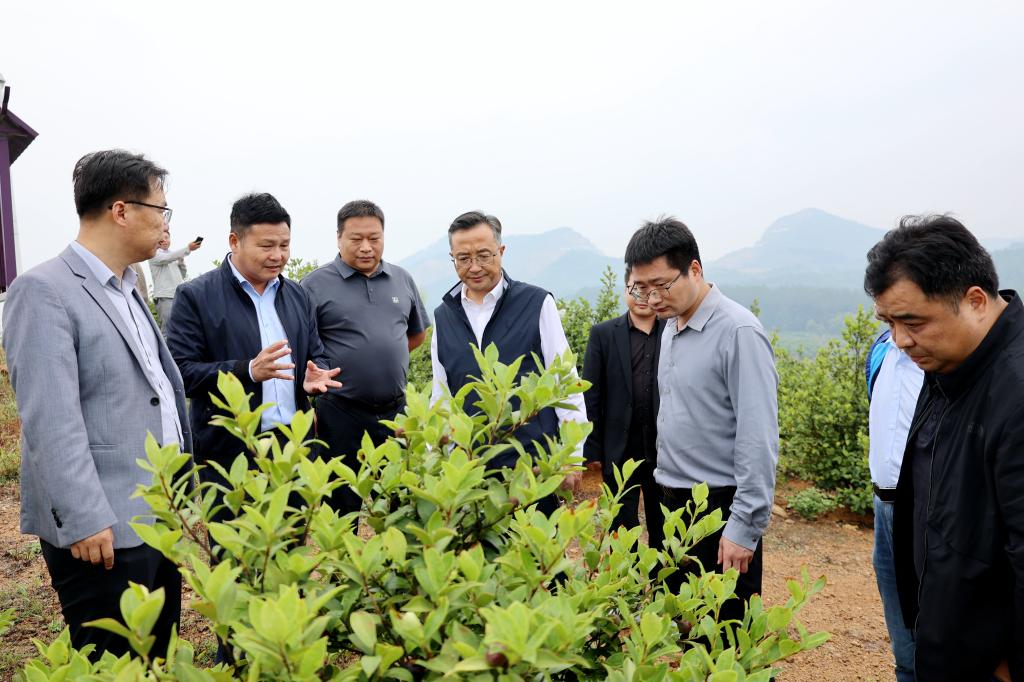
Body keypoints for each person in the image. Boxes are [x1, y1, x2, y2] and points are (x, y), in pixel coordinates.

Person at [1, 149, 190, 658]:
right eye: (161, 209)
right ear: (121, 210)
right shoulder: (43, 290)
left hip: (155, 514)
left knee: (158, 655)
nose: (166, 223)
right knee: (113, 661)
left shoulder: (128, 288)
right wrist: (84, 516)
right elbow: (50, 419)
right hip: (103, 527)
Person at [864, 214, 1022, 681]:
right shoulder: (949, 365)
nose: (899, 340)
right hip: (948, 638)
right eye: (888, 322)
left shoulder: (1014, 389)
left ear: (975, 301)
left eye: (912, 321)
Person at [624, 217, 778, 621]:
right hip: (672, 504)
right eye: (641, 288)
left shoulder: (738, 331)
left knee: (723, 633)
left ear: (694, 269)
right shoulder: (671, 327)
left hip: (719, 508)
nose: (652, 298)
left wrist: (743, 526)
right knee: (681, 629)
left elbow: (758, 437)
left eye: (661, 285)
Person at [165, 193, 340, 511]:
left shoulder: (297, 295)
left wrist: (313, 374)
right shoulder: (196, 296)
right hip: (231, 451)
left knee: (294, 537)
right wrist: (246, 371)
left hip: (293, 447)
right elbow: (180, 373)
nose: (278, 255)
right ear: (235, 241)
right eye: (267, 246)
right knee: (237, 540)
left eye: (284, 245)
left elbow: (316, 353)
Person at [430, 211, 586, 504]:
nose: (474, 267)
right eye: (463, 258)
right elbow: (441, 395)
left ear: (501, 251)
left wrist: (571, 456)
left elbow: (566, 381)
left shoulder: (536, 303)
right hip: (471, 473)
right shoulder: (443, 316)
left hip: (533, 468)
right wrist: (435, 461)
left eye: (484, 255)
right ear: (453, 258)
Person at [301, 200, 429, 515]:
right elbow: (301, 347)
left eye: (374, 238)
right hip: (340, 413)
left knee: (402, 505)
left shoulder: (401, 278)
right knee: (341, 507)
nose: (366, 247)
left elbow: (416, 335)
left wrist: (382, 360)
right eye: (356, 239)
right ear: (338, 238)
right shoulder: (314, 285)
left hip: (396, 413)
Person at [582, 268, 666, 547]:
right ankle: (627, 574)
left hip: (664, 448)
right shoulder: (603, 334)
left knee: (664, 527)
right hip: (619, 448)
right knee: (622, 526)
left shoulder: (673, 330)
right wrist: (592, 450)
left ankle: (661, 575)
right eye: (636, 288)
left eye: (650, 289)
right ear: (626, 289)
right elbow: (591, 394)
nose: (643, 296)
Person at [865, 328, 922, 682]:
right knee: (901, 634)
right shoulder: (881, 349)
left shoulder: (938, 355)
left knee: (934, 621)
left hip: (924, 508)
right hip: (883, 504)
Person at [149, 227, 201, 331]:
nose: (165, 240)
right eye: (162, 238)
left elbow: (183, 274)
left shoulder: (173, 255)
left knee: (181, 327)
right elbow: (167, 258)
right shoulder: (154, 254)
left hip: (177, 295)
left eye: (167, 237)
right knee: (167, 329)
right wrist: (188, 249)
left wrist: (181, 261)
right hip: (165, 296)